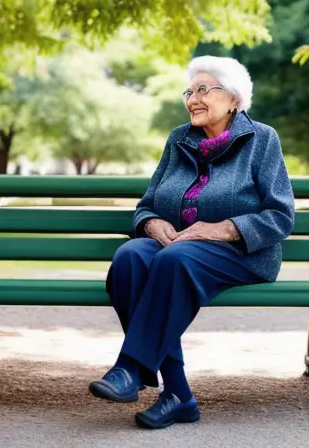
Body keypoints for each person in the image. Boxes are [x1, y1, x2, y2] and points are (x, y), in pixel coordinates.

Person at [88, 55, 296, 429]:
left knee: (175, 260)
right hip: (179, 247)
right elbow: (147, 204)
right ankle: (179, 394)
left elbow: (280, 215)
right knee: (130, 258)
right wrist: (151, 225)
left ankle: (128, 368)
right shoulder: (178, 139)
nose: (193, 99)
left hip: (241, 252)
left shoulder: (261, 139)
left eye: (204, 89)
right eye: (190, 91)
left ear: (234, 99)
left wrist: (220, 229)